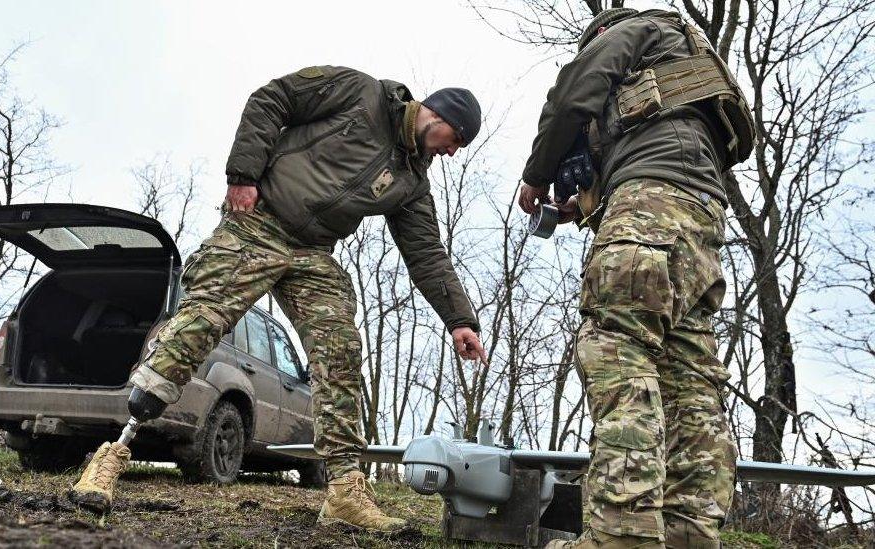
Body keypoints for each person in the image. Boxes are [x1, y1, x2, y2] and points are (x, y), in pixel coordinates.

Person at [69, 65, 487, 532]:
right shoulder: (360, 93)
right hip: (258, 223)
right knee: (198, 325)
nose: (451, 151)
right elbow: (274, 98)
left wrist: (458, 319)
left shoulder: (411, 183)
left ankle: (346, 492)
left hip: (312, 254)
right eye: (455, 139)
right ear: (438, 112)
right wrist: (243, 173)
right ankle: (110, 457)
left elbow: (427, 253)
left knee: (340, 351)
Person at [518, 8, 754, 549]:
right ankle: (688, 535)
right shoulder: (691, 65)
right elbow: (654, 143)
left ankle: (621, 536)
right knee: (689, 380)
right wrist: (587, 203)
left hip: (649, 205)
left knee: (616, 346)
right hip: (702, 221)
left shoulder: (630, 30)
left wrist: (536, 174)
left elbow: (573, 94)